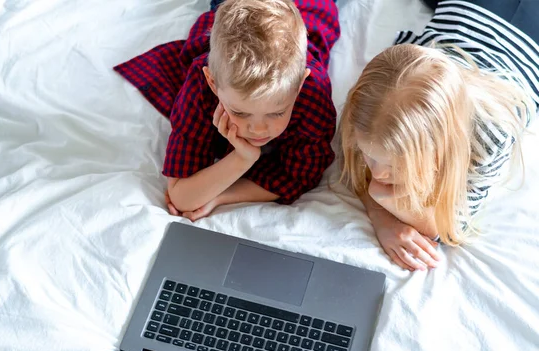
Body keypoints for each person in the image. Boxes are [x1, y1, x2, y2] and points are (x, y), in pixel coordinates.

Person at [339, 0, 539, 271]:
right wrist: (381, 218)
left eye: (395, 166)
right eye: (369, 156)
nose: (378, 174)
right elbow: (350, 157)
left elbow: (450, 228)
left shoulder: (490, 136)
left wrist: (383, 198)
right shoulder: (372, 107)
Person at [115, 0, 340, 221]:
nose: (258, 129)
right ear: (212, 83)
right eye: (240, 112)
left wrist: (221, 196)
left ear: (300, 84)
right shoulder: (201, 84)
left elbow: (302, 175)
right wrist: (242, 159)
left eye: (277, 112)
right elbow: (182, 198)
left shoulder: (312, 92)